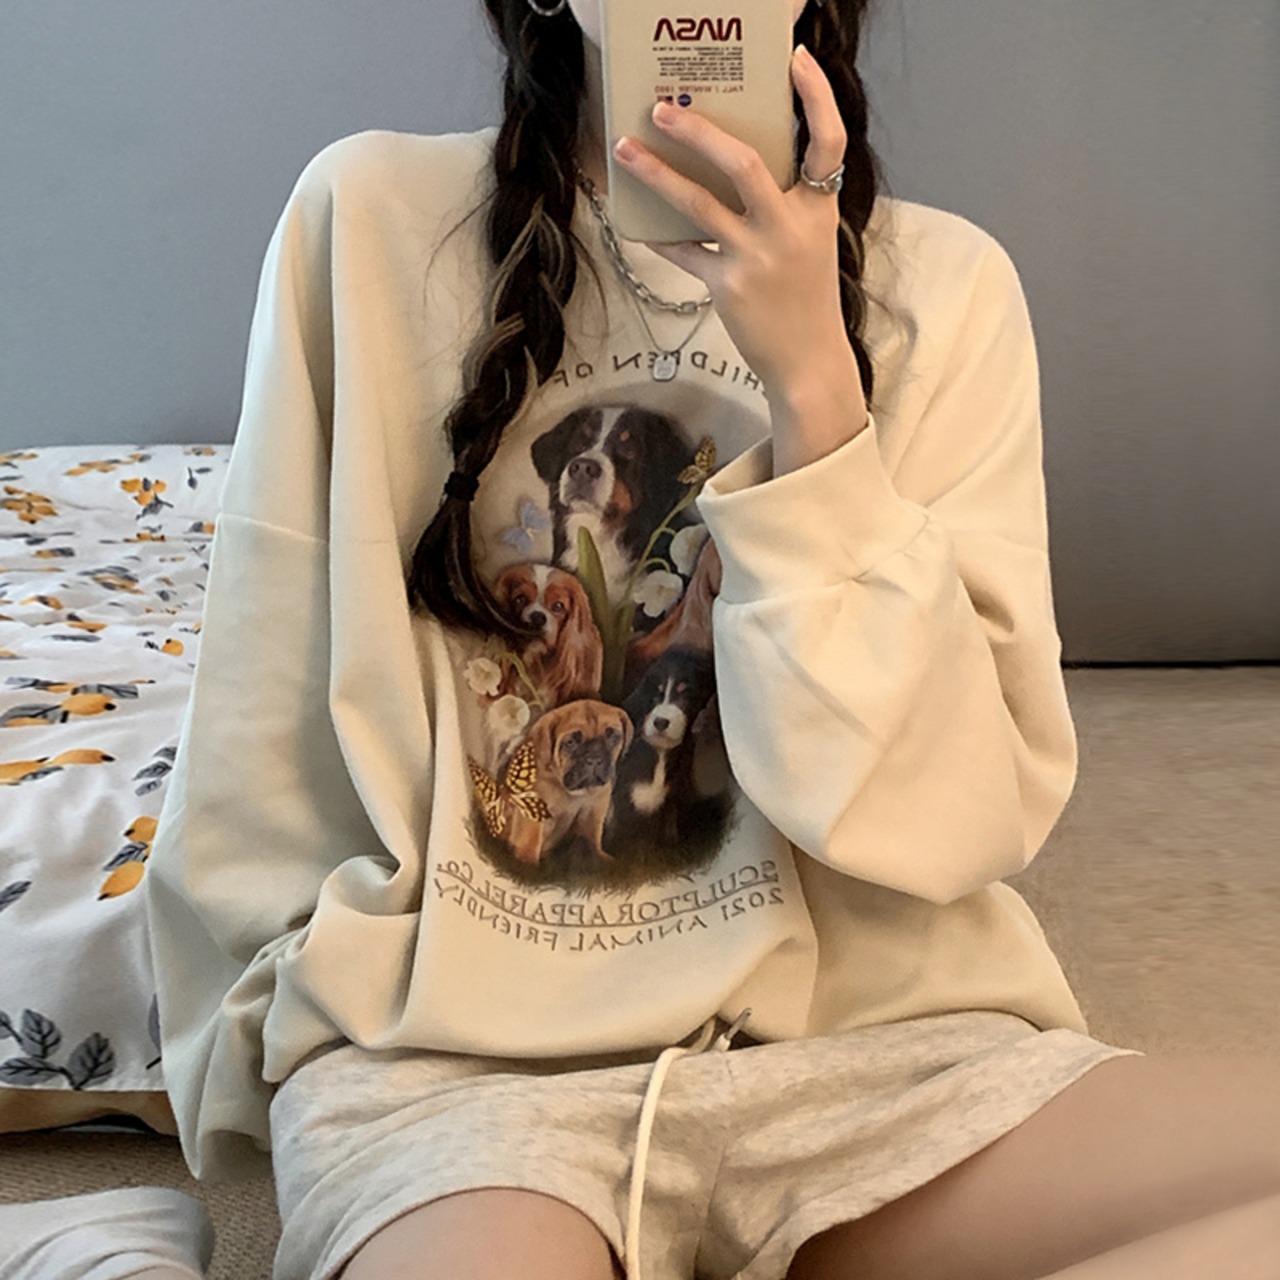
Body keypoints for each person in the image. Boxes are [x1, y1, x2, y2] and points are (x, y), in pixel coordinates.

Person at [6, 1, 1278, 1278]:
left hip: (881, 1054)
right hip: (463, 1080)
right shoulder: (371, 220)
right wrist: (290, 1021)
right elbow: (263, 722)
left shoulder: (944, 287)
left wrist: (816, 392)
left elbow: (946, 819)